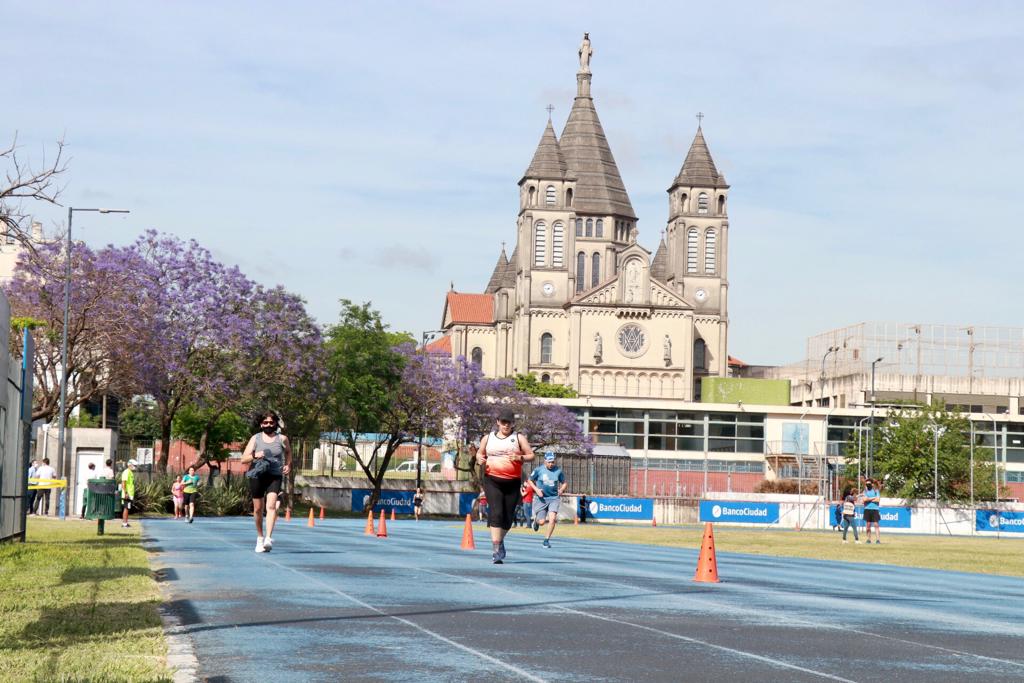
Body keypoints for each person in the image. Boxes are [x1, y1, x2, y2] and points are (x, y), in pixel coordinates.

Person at [476, 408, 535, 564]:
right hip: (492, 480)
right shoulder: (488, 438)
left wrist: (519, 457)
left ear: (513, 423)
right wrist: (479, 458)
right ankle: (496, 550)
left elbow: (531, 455)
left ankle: (500, 540)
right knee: (496, 513)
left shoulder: (519, 438)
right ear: (498, 422)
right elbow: (479, 453)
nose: (506, 425)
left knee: (508, 518)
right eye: (503, 422)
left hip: (513, 482)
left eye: (509, 422)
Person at [241, 410, 291, 554]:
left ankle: (268, 538)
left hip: (274, 475)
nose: (268, 425)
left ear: (275, 423)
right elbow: (243, 459)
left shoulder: (282, 439)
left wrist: (288, 464)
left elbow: (288, 452)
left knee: (271, 506)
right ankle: (260, 538)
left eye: (271, 422)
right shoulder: (255, 438)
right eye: (265, 422)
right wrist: (255, 455)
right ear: (261, 424)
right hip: (257, 475)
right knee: (258, 509)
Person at [529, 452, 567, 548]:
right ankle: (536, 522)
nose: (551, 464)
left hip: (554, 498)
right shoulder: (538, 470)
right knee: (542, 522)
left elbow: (564, 483)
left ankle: (546, 540)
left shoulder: (558, 471)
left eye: (552, 462)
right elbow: (530, 480)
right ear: (545, 461)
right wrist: (537, 490)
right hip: (541, 499)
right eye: (549, 462)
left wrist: (561, 489)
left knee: (552, 519)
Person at [863, 479, 882, 544]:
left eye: (869, 484)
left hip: (875, 509)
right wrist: (873, 498)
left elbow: (878, 500)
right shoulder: (865, 491)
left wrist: (868, 499)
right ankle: (868, 539)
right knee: (868, 525)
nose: (867, 485)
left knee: (876, 525)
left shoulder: (876, 491)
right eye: (866, 484)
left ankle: (878, 540)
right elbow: (864, 500)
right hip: (867, 509)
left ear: (872, 484)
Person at [120, 459, 137, 528]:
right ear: (130, 465)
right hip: (127, 494)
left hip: (130, 494)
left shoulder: (130, 472)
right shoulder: (126, 472)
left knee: (128, 508)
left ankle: (126, 523)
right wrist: (126, 493)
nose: (135, 467)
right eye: (134, 465)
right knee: (126, 508)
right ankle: (124, 524)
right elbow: (123, 483)